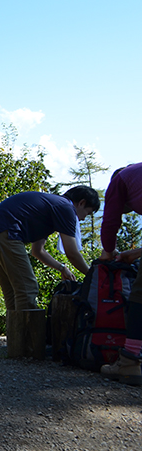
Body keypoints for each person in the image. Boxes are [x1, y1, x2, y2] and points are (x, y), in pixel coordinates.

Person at [0, 186, 99, 311]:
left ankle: (15, 330)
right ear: (82, 203)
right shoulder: (66, 208)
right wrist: (93, 276)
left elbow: (37, 251)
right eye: (88, 212)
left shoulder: (53, 207)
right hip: (5, 233)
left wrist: (62, 268)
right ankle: (26, 330)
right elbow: (72, 254)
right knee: (27, 288)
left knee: (12, 290)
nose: (84, 218)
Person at [99, 163, 142, 385]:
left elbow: (110, 222)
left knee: (140, 295)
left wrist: (108, 252)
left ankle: (130, 362)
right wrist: (135, 253)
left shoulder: (120, 179)